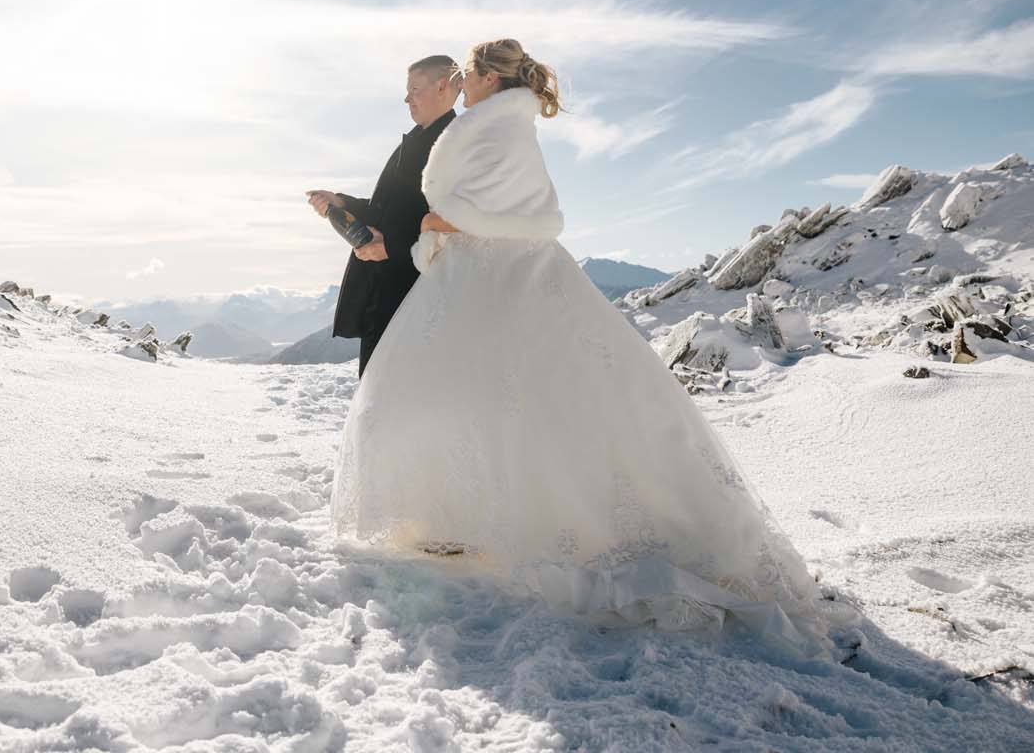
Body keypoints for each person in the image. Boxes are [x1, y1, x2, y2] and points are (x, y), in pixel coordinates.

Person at [329, 38, 827, 652]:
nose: (463, 85)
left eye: (468, 75)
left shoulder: (498, 128)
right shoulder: (498, 124)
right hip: (476, 278)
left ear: (485, 79)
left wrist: (437, 222)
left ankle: (518, 523)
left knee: (507, 396)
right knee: (480, 397)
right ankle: (457, 519)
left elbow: (509, 209)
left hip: (496, 278)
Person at [307, 55, 459, 377]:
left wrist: (391, 247)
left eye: (414, 89)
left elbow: (458, 228)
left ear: (442, 87)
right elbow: (384, 212)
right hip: (383, 296)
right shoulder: (414, 141)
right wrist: (341, 203)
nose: (407, 98)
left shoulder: (456, 147)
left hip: (415, 301)